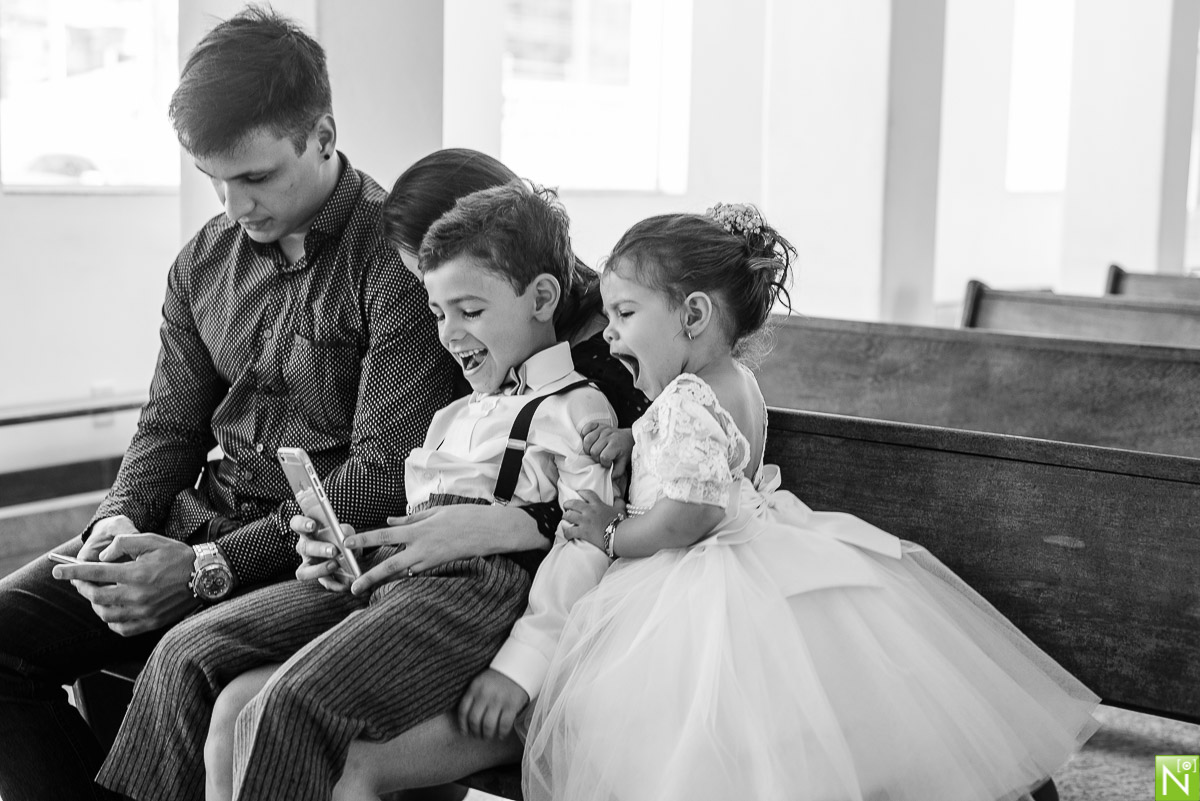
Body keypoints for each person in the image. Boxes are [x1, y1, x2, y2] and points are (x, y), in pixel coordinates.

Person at [0, 7, 455, 801]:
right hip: (194, 518)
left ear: (322, 135)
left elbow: (384, 473)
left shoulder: (398, 263)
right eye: (213, 178)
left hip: (308, 556)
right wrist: (117, 520)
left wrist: (210, 567)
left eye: (256, 177)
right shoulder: (202, 262)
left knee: (183, 658)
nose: (234, 204)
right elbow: (169, 425)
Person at [522, 204, 1101, 801]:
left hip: (695, 579)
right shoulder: (736, 381)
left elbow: (689, 515)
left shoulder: (686, 399)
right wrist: (638, 439)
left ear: (693, 315)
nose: (608, 332)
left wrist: (611, 531)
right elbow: (715, 457)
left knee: (688, 728)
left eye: (624, 313)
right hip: (769, 548)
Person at [98, 181, 626, 801]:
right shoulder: (453, 414)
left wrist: (523, 664)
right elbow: (409, 514)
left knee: (291, 702)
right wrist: (342, 546)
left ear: (541, 298)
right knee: (187, 649)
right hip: (388, 571)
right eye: (438, 314)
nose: (449, 335)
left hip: (475, 589)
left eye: (470, 311)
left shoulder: (577, 409)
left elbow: (583, 543)